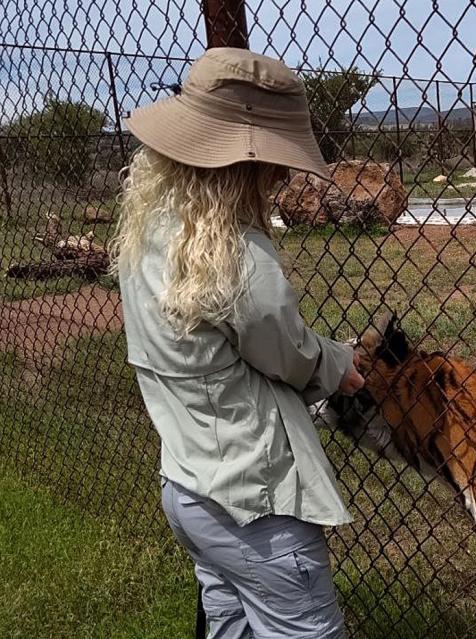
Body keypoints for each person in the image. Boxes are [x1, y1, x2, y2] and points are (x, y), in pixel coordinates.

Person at [110, 47, 364, 638]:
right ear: (245, 163)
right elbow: (290, 353)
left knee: (228, 624)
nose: (280, 178)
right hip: (259, 507)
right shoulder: (237, 259)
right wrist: (341, 364)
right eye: (275, 165)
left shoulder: (148, 230)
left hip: (190, 488)